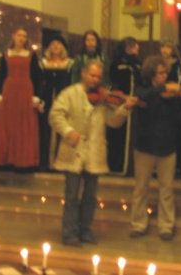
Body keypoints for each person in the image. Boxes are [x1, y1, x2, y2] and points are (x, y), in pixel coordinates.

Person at [49, 60, 137, 247]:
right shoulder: (70, 93)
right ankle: (69, 233)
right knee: (72, 195)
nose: (96, 80)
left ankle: (84, 229)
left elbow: (113, 122)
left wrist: (124, 108)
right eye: (92, 75)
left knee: (90, 196)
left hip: (94, 152)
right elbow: (55, 115)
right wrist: (68, 131)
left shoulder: (104, 98)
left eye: (98, 76)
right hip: (73, 150)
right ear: (84, 74)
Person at [129, 56, 181, 241]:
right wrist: (163, 88)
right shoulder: (143, 90)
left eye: (165, 73)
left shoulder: (173, 96)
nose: (165, 76)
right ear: (152, 74)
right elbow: (142, 96)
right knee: (140, 188)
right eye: (161, 73)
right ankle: (138, 224)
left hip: (167, 146)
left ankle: (166, 226)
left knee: (167, 189)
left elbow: (180, 118)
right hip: (145, 146)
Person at [0, 27, 43, 171]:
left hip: (26, 90)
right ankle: (3, 160)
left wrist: (36, 96)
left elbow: (37, 77)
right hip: (9, 91)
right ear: (13, 36)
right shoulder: (5, 54)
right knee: (7, 123)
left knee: (24, 124)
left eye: (24, 36)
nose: (21, 38)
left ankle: (23, 161)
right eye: (19, 35)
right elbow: (1, 75)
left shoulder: (31, 56)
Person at [39, 35, 74, 171]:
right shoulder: (42, 63)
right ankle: (44, 163)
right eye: (53, 44)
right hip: (46, 100)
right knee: (45, 130)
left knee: (61, 129)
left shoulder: (70, 64)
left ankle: (59, 163)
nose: (55, 46)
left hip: (63, 100)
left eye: (58, 44)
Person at [108, 37, 142, 174]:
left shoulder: (138, 63)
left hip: (135, 103)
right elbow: (113, 82)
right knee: (118, 136)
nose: (136, 48)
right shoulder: (116, 62)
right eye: (133, 46)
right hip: (120, 103)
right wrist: (122, 97)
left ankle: (131, 167)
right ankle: (116, 165)